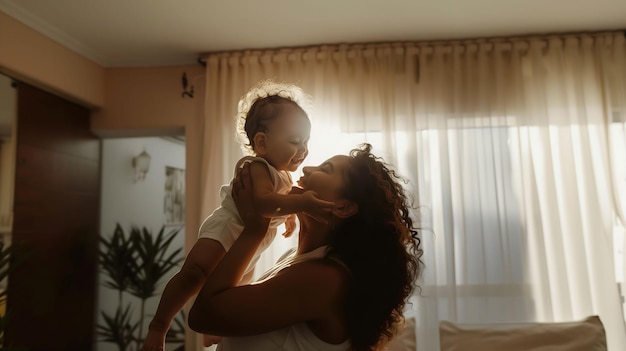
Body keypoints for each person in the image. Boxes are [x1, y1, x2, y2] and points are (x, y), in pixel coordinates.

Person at [142, 81, 335, 351]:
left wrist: (291, 212)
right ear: (262, 142)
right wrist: (300, 203)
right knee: (194, 273)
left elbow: (281, 200)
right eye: (295, 141)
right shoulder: (255, 167)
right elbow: (263, 204)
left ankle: (215, 330)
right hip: (226, 229)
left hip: (252, 238)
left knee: (237, 288)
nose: (303, 150)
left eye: (306, 141)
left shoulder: (284, 176)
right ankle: (159, 325)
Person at [188, 143, 423, 351]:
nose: (307, 169)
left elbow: (202, 316)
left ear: (342, 207)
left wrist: (255, 229)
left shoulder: (325, 279)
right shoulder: (296, 258)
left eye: (325, 169)